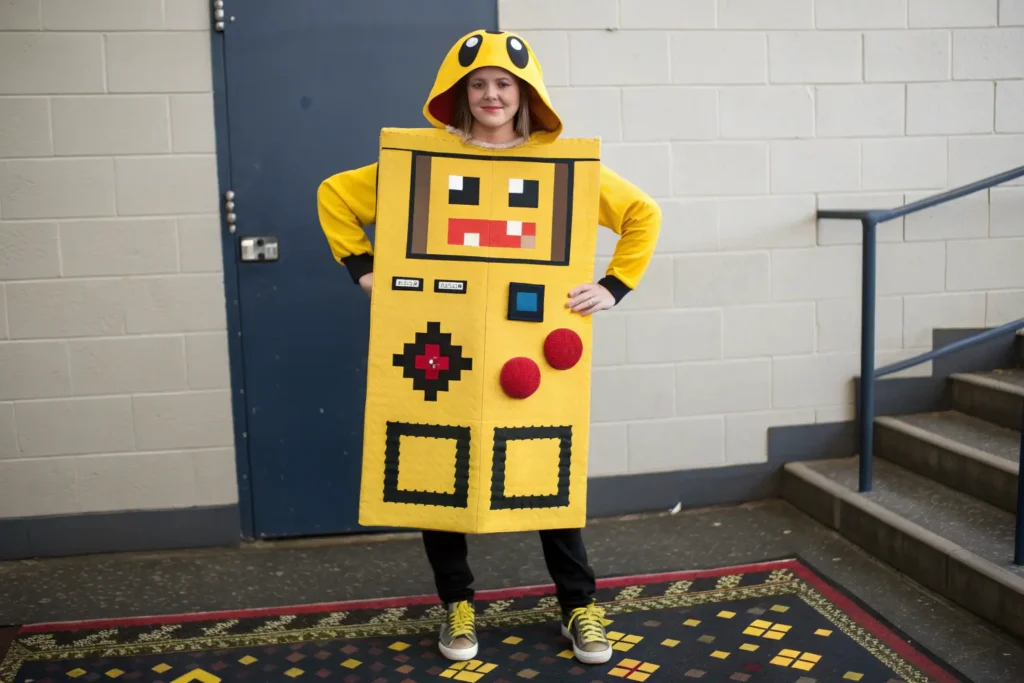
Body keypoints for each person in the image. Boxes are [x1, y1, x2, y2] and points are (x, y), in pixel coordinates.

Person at [317, 30, 660, 666]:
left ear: (525, 93)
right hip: (439, 349)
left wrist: (613, 286)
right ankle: (457, 602)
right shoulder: (423, 161)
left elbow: (641, 213)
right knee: (435, 471)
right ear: (460, 92)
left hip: (529, 349)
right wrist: (364, 269)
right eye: (478, 84)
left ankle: (577, 605)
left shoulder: (561, 164)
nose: (491, 94)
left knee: (547, 473)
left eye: (504, 84)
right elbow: (336, 196)